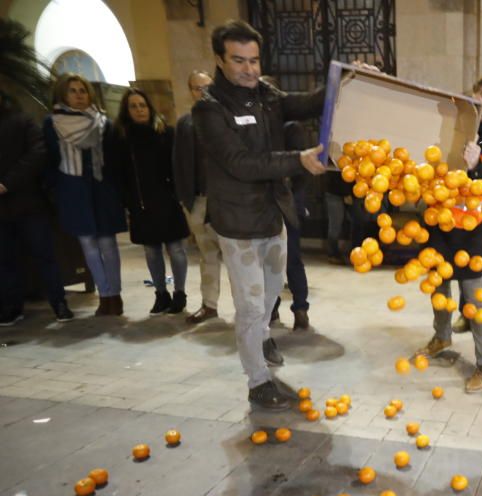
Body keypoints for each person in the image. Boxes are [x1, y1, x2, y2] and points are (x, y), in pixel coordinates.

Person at [192, 20, 326, 409]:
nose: (249, 69)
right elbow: (241, 162)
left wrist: (347, 80)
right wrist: (298, 160)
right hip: (238, 225)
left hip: (273, 216)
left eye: (253, 60)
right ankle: (257, 381)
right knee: (250, 307)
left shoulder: (265, 94)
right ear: (220, 59)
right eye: (239, 61)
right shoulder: (209, 108)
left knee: (268, 297)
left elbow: (306, 103)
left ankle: (261, 334)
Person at [414, 64, 482, 393]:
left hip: (472, 226)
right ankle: (442, 336)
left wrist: (477, 164)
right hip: (439, 217)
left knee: (474, 293)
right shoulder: (454, 118)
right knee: (437, 283)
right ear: (474, 92)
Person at [43, 73, 127, 315]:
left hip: (102, 188)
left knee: (108, 244)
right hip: (73, 189)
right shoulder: (52, 123)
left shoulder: (103, 122)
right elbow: (50, 158)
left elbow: (114, 159)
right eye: (73, 91)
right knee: (88, 245)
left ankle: (116, 296)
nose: (79, 95)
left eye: (83, 90)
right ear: (63, 94)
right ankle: (105, 294)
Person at [0, 93, 74, 325]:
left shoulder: (23, 121)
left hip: (28, 202)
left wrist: (7, 183)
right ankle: (12, 308)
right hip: (3, 209)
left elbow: (37, 153)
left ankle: (59, 303)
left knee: (45, 255)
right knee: (6, 259)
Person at [116, 87, 190, 315]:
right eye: (134, 106)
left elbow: (178, 165)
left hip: (166, 200)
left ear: (150, 107)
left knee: (176, 249)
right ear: (127, 111)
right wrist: (128, 202)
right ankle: (161, 293)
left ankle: (179, 293)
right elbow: (119, 173)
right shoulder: (122, 138)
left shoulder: (165, 133)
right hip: (141, 203)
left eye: (142, 105)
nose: (139, 110)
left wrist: (177, 194)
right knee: (151, 251)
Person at [260, 75, 310, 332]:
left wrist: (297, 205)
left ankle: (300, 310)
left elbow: (301, 169)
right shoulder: (255, 129)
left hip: (287, 203)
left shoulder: (291, 127)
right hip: (263, 207)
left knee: (291, 259)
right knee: (269, 263)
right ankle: (272, 310)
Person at [174, 70, 223, 324]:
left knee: (237, 259)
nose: (202, 92)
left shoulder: (226, 119)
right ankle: (209, 305)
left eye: (207, 87)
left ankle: (253, 312)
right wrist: (184, 199)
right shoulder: (185, 122)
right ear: (190, 91)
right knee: (207, 255)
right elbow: (178, 162)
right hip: (197, 201)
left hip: (224, 203)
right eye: (196, 88)